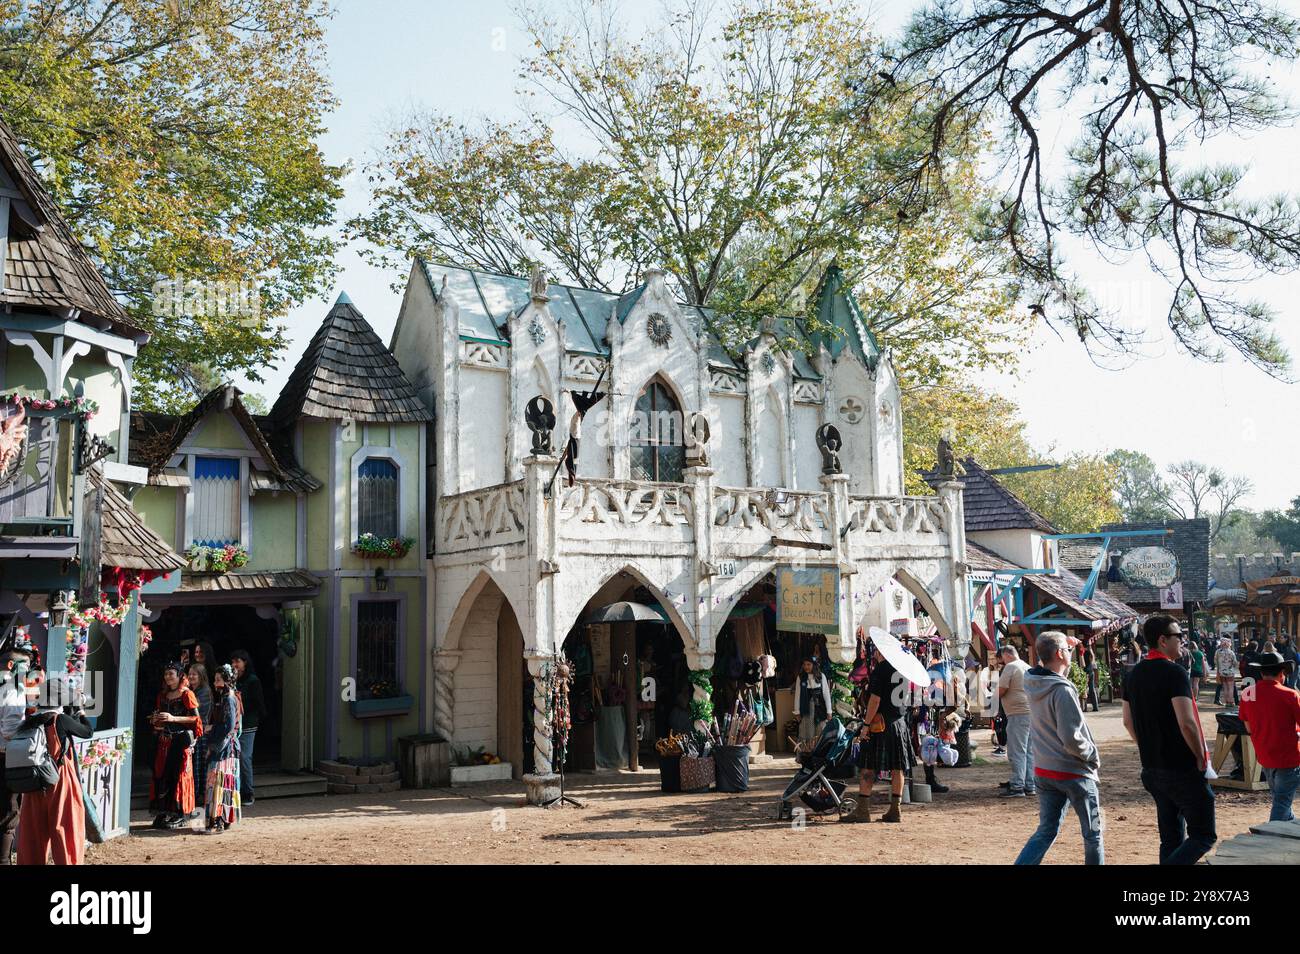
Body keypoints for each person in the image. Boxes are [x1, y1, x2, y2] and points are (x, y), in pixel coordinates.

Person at [1122, 615, 1216, 865]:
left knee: (1171, 838)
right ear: (1163, 640)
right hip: (1181, 766)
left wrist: (1148, 745)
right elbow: (1186, 722)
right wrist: (1199, 756)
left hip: (1152, 767)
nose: (1183, 642)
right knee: (1203, 835)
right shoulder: (1174, 673)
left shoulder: (1132, 674)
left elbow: (1127, 722)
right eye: (1179, 637)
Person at [1014, 632, 1104, 865]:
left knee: (1046, 831)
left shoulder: (1032, 680)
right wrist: (1092, 756)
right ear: (1059, 654)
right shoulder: (1062, 690)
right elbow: (1071, 738)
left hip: (1045, 770)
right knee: (1093, 834)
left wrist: (1065, 648)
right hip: (1073, 771)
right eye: (1065, 649)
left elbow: (1046, 660)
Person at [15, 672, 92, 865]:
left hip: (33, 782)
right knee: (64, 827)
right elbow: (88, 732)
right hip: (59, 779)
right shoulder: (61, 720)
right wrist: (80, 711)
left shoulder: (29, 721)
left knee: (33, 832)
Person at [845, 644, 913, 823]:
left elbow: (875, 700)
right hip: (899, 724)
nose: (874, 652)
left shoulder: (880, 670)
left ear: (883, 651)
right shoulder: (904, 669)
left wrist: (865, 725)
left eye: (876, 649)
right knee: (897, 767)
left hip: (880, 724)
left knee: (868, 766)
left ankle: (862, 811)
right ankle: (895, 810)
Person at [1238, 651, 1300, 822]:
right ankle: (1271, 838)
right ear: (1282, 674)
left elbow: (1248, 726)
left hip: (1265, 754)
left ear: (1261, 672)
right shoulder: (1290, 695)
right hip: (1288, 756)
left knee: (1280, 799)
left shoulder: (1248, 693)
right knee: (1282, 801)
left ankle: (1287, 827)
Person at [148, 661, 204, 829]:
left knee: (177, 776)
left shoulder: (187, 694)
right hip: (164, 742)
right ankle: (163, 811)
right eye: (166, 674)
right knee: (161, 775)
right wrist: (155, 720)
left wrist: (173, 718)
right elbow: (158, 716)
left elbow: (197, 720)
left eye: (171, 674)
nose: (167, 677)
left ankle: (179, 814)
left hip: (180, 742)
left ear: (180, 675)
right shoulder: (162, 695)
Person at [0, 637, 36, 864]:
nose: (29, 671)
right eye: (25, 666)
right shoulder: (12, 690)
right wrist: (34, 726)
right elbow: (9, 731)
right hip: (5, 757)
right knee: (8, 813)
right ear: (12, 666)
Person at [204, 664, 243, 833]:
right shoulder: (228, 697)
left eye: (218, 680)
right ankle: (222, 818)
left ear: (227, 681)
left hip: (225, 749)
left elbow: (229, 727)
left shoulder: (228, 699)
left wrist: (211, 730)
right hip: (228, 747)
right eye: (215, 679)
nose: (215, 683)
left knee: (219, 782)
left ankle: (219, 818)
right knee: (222, 783)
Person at [997, 646, 1035, 797]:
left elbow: (1002, 690)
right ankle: (1030, 785)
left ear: (1006, 655)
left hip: (1017, 713)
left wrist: (992, 692)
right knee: (1029, 751)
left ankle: (1017, 786)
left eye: (1001, 658)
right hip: (1031, 713)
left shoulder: (1011, 667)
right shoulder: (1028, 667)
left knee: (1017, 751)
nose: (1001, 661)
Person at [231, 650, 266, 806]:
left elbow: (258, 704)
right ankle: (234, 791)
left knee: (244, 758)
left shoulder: (252, 681)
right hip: (232, 725)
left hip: (248, 724)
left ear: (245, 662)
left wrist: (241, 707)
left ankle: (248, 792)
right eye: (233, 662)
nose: (235, 665)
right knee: (233, 759)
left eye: (238, 661)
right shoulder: (231, 680)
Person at [188, 663, 212, 812]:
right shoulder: (193, 690)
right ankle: (195, 795)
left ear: (201, 676)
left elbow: (195, 713)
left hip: (200, 733)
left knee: (199, 766)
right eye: (189, 674)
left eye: (194, 674)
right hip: (194, 732)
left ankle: (199, 796)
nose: (191, 677)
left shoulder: (204, 691)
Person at [792, 656, 831, 744]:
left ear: (814, 665)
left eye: (809, 664)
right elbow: (798, 695)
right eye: (804, 664)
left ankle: (818, 755)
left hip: (820, 708)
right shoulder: (801, 677)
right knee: (807, 732)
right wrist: (797, 712)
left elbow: (826, 694)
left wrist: (829, 711)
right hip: (807, 709)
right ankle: (806, 754)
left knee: (820, 731)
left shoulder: (821, 676)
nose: (806, 667)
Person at [1214, 638, 1239, 708]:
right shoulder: (1231, 652)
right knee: (1230, 687)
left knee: (1225, 687)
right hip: (1230, 672)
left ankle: (1227, 701)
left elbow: (1215, 662)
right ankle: (1231, 701)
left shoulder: (1218, 652)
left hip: (1221, 672)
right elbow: (1235, 662)